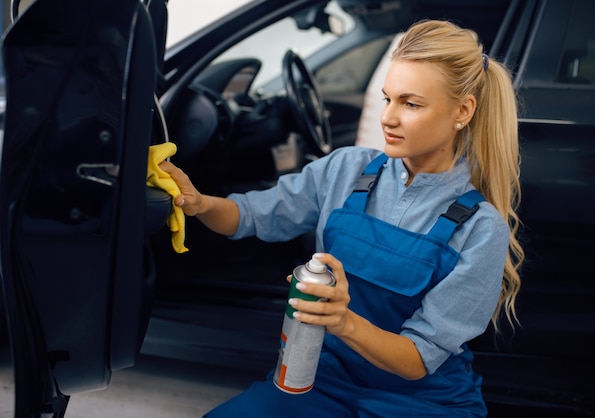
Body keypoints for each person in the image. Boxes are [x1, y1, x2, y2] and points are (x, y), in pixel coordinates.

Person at [160, 19, 524, 418]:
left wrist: (342, 321)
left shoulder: (480, 228)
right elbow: (250, 215)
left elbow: (419, 358)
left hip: (420, 400)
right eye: (388, 99)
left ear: (463, 111)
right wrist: (200, 203)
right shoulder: (347, 170)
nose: (389, 117)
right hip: (317, 378)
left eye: (411, 103)